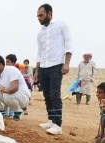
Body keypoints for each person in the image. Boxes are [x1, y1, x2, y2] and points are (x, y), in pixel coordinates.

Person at [34, 3, 73, 135]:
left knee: (55, 95)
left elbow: (68, 45)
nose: (39, 18)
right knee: (46, 95)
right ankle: (51, 120)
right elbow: (39, 53)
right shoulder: (40, 33)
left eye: (41, 15)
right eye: (37, 16)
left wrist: (66, 63)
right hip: (43, 67)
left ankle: (58, 125)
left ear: (49, 13)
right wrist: (37, 71)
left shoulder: (61, 25)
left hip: (56, 65)